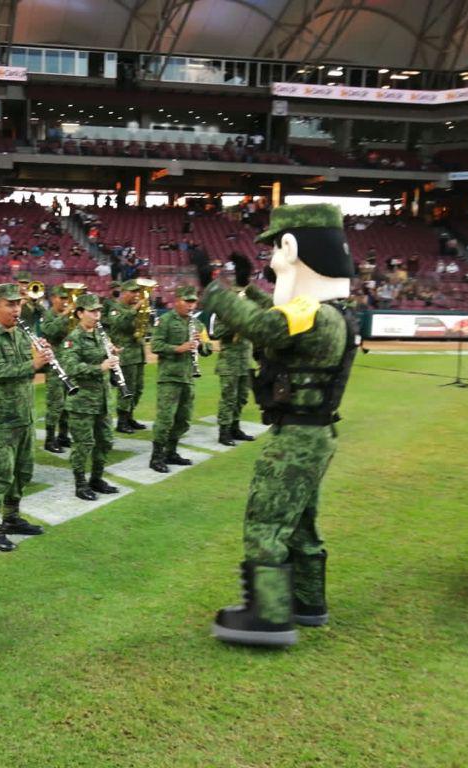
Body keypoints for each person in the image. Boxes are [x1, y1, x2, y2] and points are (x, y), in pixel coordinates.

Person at [201, 203, 359, 648]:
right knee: (302, 523)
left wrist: (211, 289)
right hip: (315, 432)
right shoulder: (332, 311)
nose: (271, 261)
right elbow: (277, 316)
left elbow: (266, 328)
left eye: (274, 250)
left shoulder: (313, 311)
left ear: (291, 248)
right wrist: (248, 288)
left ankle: (268, 616)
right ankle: (308, 602)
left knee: (266, 521)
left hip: (296, 437)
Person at [0, 283, 50, 551]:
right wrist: (33, 363)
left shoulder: (20, 333)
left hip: (23, 414)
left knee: (22, 470)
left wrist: (45, 359)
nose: (16, 309)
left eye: (18, 303)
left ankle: (11, 518)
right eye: (10, 304)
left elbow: (31, 371)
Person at [58, 293, 121, 500]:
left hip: (102, 400)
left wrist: (112, 354)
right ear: (79, 313)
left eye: (99, 311)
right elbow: (70, 367)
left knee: (106, 441)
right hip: (82, 402)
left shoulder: (100, 335)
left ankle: (96, 478)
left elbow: (106, 358)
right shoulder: (72, 339)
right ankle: (80, 484)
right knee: (83, 445)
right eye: (92, 311)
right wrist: (99, 367)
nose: (97, 315)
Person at [149, 285, 213, 472]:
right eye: (187, 301)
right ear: (177, 301)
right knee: (165, 419)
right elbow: (155, 345)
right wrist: (178, 348)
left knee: (183, 419)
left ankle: (171, 452)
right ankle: (156, 457)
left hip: (188, 377)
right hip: (169, 378)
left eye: (193, 302)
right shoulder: (165, 320)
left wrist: (200, 345)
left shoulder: (197, 324)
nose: (191, 305)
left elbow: (208, 349)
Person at [211, 257, 256, 447]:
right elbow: (217, 332)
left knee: (241, 398)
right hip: (229, 362)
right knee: (228, 398)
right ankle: (224, 431)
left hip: (245, 360)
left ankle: (235, 427)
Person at [105, 279, 147, 434]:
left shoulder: (137, 309)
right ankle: (122, 421)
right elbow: (120, 324)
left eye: (138, 292)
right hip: (125, 355)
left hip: (138, 353)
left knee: (138, 388)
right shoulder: (116, 308)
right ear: (124, 293)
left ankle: (130, 416)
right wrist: (135, 309)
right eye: (133, 292)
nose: (137, 295)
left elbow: (144, 328)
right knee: (126, 389)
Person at [39, 285, 74, 452]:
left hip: (70, 363)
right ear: (53, 298)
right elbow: (50, 331)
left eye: (67, 298)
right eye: (62, 298)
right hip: (55, 366)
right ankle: (49, 439)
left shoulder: (72, 315)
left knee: (68, 403)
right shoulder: (48, 315)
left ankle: (63, 435)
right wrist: (66, 315)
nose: (66, 301)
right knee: (55, 404)